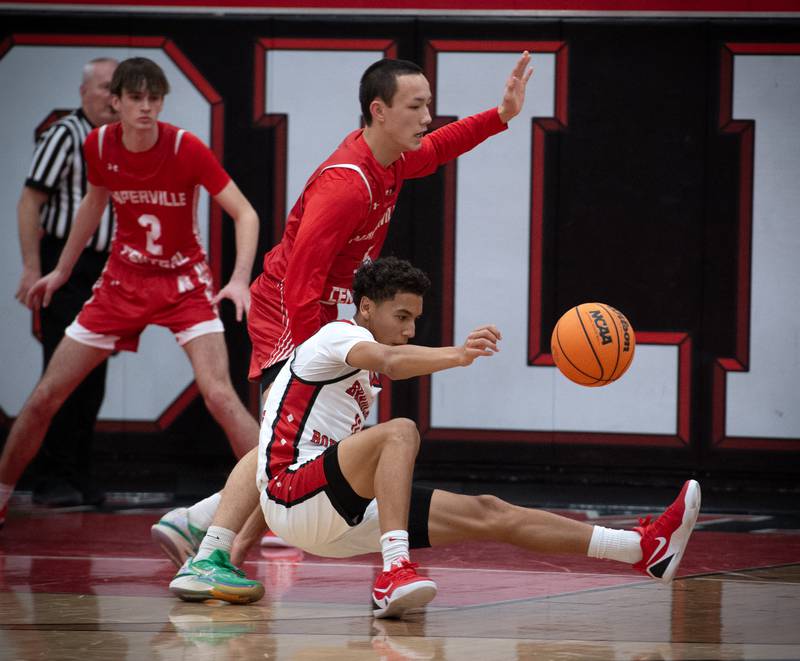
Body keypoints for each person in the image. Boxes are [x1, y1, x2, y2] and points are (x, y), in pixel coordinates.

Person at [151, 50, 535, 563]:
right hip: (290, 314)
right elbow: (299, 282)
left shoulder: (392, 159)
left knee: (308, 447)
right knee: (291, 444)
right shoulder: (346, 186)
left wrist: (501, 115)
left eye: (428, 105)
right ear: (379, 110)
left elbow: (440, 147)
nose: (427, 117)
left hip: (326, 315)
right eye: (416, 106)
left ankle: (202, 530)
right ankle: (208, 541)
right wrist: (314, 361)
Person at [168, 257, 702, 619]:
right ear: (365, 307)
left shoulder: (353, 379)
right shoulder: (338, 335)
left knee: (489, 511)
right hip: (297, 496)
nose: (409, 329)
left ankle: (641, 549)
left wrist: (231, 546)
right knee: (399, 432)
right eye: (401, 316)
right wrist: (459, 355)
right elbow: (391, 359)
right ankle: (394, 570)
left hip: (330, 512)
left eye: (415, 319)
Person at [0, 57, 260, 530]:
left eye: (154, 99)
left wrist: (240, 278)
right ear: (115, 102)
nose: (145, 107)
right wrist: (61, 270)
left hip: (183, 282)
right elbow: (93, 202)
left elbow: (245, 213)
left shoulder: (184, 146)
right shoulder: (98, 143)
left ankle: (280, 508)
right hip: (122, 280)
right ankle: (1, 495)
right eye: (136, 98)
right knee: (45, 396)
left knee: (220, 396)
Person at [14, 57, 118, 508]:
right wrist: (32, 267)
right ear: (83, 92)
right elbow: (29, 202)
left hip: (106, 268)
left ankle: (78, 472)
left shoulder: (121, 140)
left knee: (94, 377)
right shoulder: (65, 135)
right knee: (60, 374)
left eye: (117, 89)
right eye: (105, 88)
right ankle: (49, 476)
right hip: (66, 264)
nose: (112, 98)